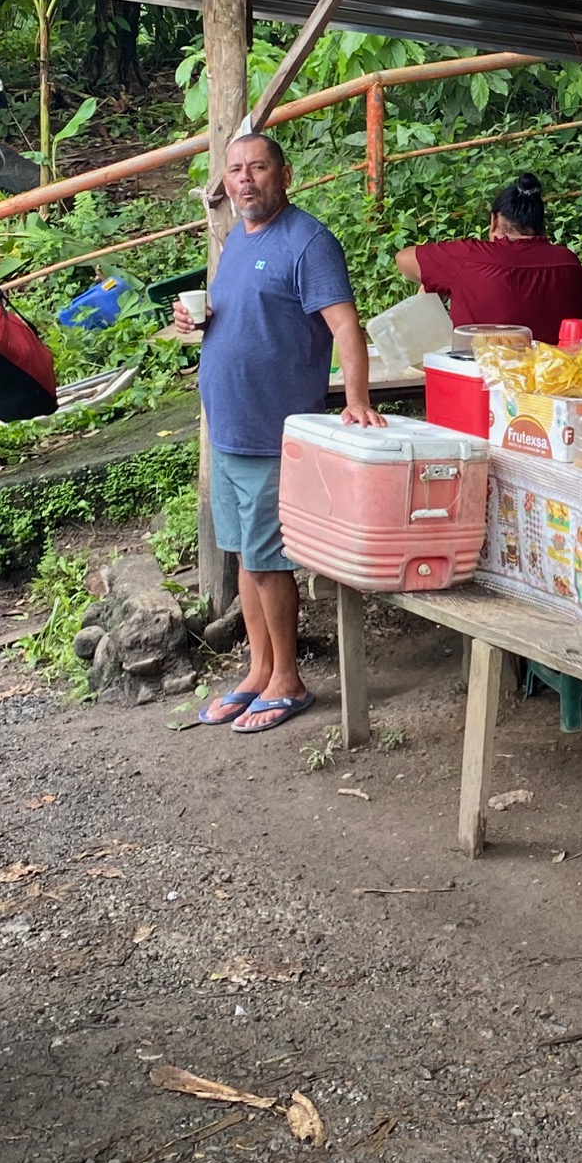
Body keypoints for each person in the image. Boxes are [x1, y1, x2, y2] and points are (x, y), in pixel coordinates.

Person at [174, 131, 384, 734]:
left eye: (258, 167)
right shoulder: (236, 238)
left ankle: (288, 680)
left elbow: (346, 327)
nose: (245, 179)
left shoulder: (308, 241)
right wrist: (195, 320)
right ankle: (258, 671)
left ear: (284, 175)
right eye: (235, 169)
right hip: (228, 429)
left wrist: (358, 400)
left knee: (270, 562)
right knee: (246, 556)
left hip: (274, 432)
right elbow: (241, 315)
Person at [396, 171, 582, 344]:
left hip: (481, 371)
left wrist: (440, 281)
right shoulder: (569, 262)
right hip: (557, 371)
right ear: (541, 226)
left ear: (494, 221)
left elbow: (403, 259)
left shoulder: (470, 256)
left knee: (430, 284)